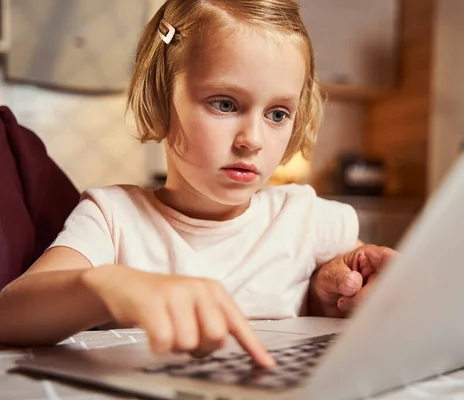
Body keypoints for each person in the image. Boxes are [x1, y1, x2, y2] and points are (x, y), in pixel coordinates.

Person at [0, 0, 396, 367]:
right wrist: (110, 285)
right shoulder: (114, 217)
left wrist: (362, 288)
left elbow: (373, 290)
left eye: (277, 114)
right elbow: (9, 315)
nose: (252, 140)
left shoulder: (305, 216)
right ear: (161, 98)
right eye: (224, 104)